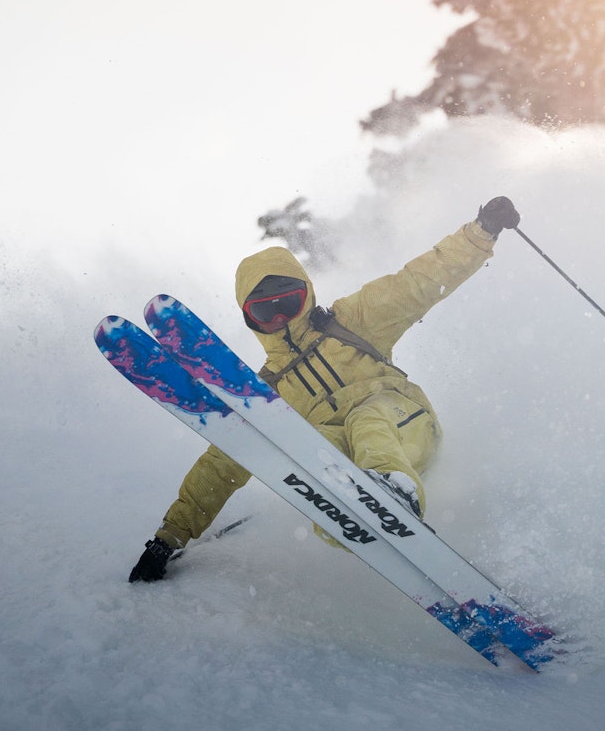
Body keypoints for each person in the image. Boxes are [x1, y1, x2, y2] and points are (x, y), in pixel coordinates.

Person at [129, 195, 521, 582]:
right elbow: (222, 464)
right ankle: (348, 517)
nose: (281, 318)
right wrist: (169, 537)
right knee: (314, 456)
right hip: (347, 462)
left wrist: (481, 231)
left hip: (405, 427)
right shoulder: (268, 393)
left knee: (366, 417)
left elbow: (420, 281)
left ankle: (390, 493)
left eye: (290, 302)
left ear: (308, 293)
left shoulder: (354, 320)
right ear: (251, 320)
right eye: (266, 311)